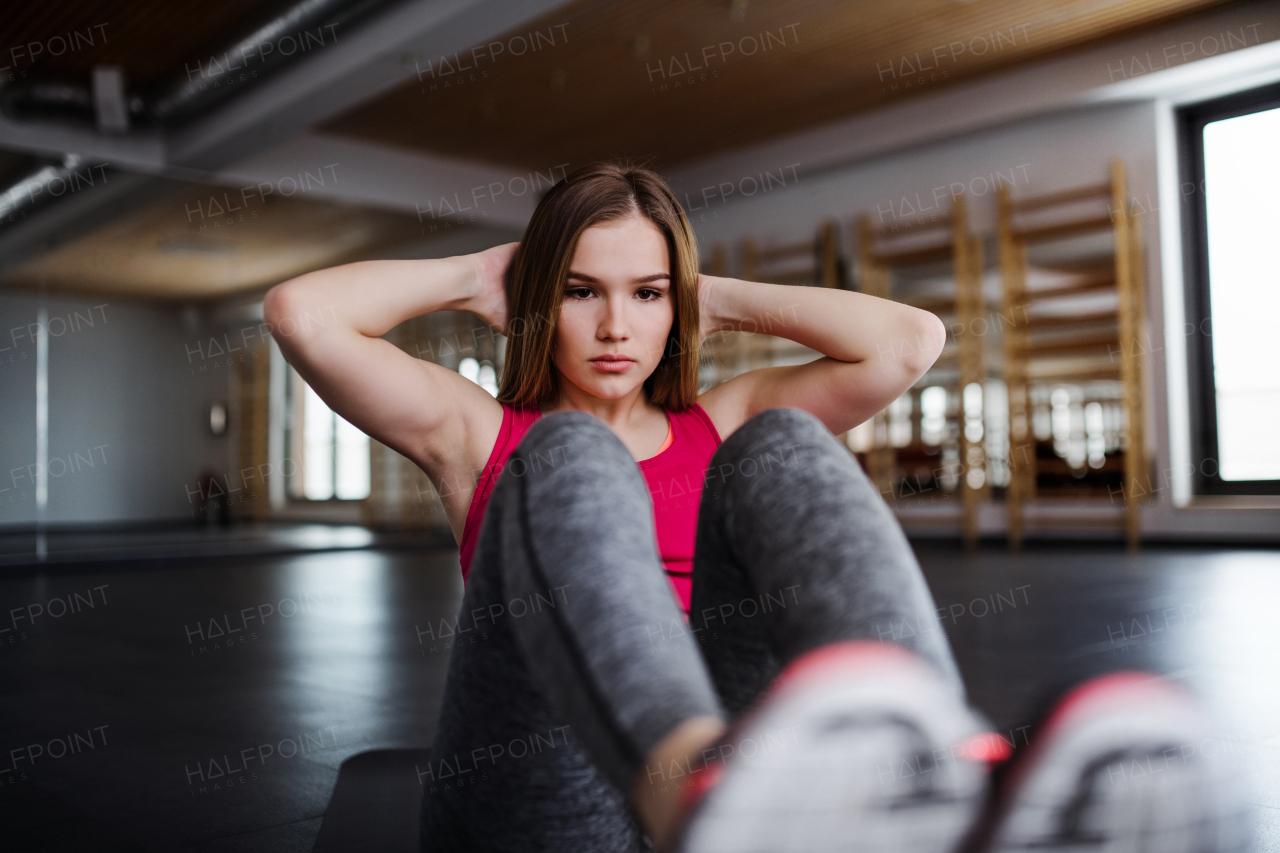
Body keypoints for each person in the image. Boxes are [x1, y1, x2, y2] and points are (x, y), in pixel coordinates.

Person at [265, 160, 1248, 853]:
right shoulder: (482, 433)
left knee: (783, 441)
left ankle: (941, 770)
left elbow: (906, 341)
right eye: (577, 291)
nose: (615, 324)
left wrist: (704, 291)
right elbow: (300, 313)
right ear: (538, 300)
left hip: (752, 809)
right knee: (573, 447)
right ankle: (684, 774)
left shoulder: (719, 418)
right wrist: (480, 274)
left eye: (646, 294)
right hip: (543, 787)